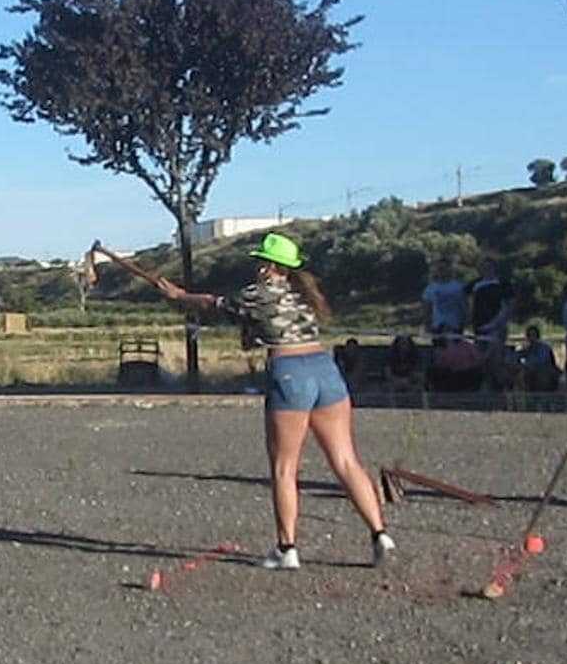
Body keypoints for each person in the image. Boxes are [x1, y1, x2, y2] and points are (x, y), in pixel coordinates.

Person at [155, 233, 395, 569]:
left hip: (289, 371)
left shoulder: (260, 292)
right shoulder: (305, 294)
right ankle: (379, 532)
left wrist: (179, 295)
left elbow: (215, 303)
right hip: (325, 369)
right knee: (345, 461)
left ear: (269, 265)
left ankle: (287, 548)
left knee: (284, 467)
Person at [420, 258, 465, 335]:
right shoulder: (430, 288)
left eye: (444, 268)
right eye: (439, 269)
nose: (441, 271)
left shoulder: (458, 286)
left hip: (455, 325)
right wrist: (427, 326)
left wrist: (464, 322)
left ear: (449, 269)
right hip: (437, 326)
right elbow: (427, 309)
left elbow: (464, 306)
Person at [516, 325, 561, 391]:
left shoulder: (545, 348)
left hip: (544, 372)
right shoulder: (526, 349)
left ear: (538, 336)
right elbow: (516, 356)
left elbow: (545, 362)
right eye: (530, 335)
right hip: (531, 374)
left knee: (542, 373)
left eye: (534, 335)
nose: (532, 338)